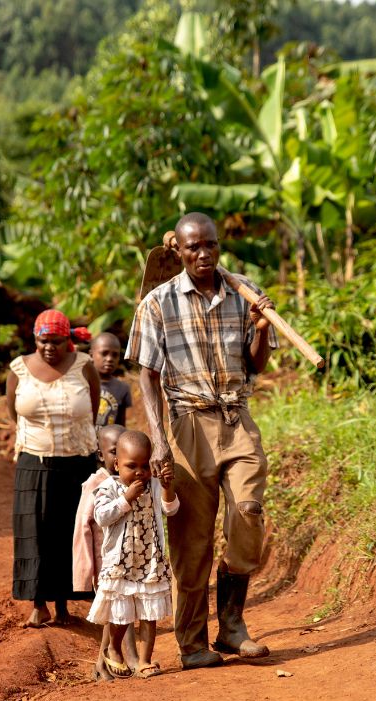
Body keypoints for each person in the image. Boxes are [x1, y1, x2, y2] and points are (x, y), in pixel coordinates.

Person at [126, 212, 277, 670]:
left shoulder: (242, 291)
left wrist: (263, 327)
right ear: (181, 252)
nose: (204, 254)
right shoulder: (158, 302)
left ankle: (232, 624)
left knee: (249, 513)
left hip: (237, 418)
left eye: (210, 245)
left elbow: (257, 367)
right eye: (194, 248)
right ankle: (193, 644)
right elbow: (147, 375)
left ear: (218, 245)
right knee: (191, 545)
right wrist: (160, 439)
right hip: (187, 424)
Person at [6, 309, 100, 628]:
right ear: (35, 339)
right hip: (34, 461)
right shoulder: (18, 368)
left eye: (57, 342)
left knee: (70, 532)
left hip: (78, 462)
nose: (50, 348)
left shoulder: (84, 366)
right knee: (35, 531)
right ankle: (39, 604)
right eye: (43, 341)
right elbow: (13, 413)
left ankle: (63, 607)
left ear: (67, 340)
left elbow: (92, 409)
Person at [87, 430, 179, 678]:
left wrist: (168, 488)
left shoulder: (155, 486)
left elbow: (170, 510)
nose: (139, 472)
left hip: (149, 561)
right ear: (117, 464)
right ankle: (114, 649)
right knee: (121, 613)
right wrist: (126, 498)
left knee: (150, 615)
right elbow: (101, 516)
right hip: (121, 563)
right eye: (131, 466)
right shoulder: (109, 487)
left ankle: (144, 661)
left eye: (144, 466)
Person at [71, 423, 140, 681]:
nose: (119, 458)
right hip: (104, 564)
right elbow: (82, 529)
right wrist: (84, 572)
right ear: (101, 455)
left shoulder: (130, 481)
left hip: (128, 559)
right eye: (113, 452)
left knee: (121, 612)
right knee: (113, 615)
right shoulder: (96, 484)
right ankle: (107, 662)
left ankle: (106, 664)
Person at [91, 332, 133, 427]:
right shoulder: (81, 383)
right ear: (91, 355)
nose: (109, 359)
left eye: (115, 355)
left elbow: (120, 426)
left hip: (107, 440)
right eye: (104, 353)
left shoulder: (122, 388)